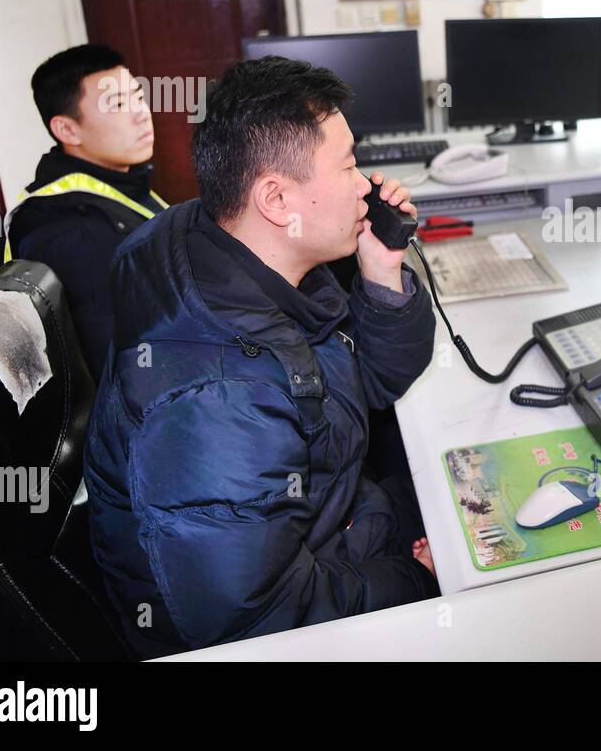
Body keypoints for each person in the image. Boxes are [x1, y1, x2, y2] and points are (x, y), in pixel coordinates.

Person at [84, 56, 438, 658]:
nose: (365, 184)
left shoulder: (234, 248)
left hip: (322, 516)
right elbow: (263, 619)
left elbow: (375, 380)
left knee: (460, 494)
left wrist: (380, 270)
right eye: (349, 165)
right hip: (276, 614)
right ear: (276, 198)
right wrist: (420, 581)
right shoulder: (219, 405)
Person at [6, 44, 166, 378]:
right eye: (118, 104)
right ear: (67, 130)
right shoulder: (71, 229)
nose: (141, 112)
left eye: (138, 96)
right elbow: (128, 368)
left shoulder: (120, 186)